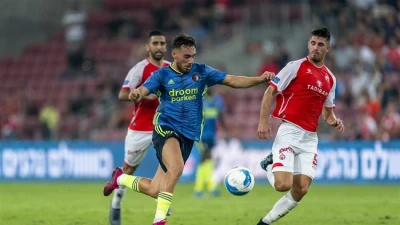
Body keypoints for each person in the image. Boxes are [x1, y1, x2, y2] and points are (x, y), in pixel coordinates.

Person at [103, 33, 275, 225]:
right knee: (176, 167)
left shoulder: (201, 71)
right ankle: (159, 220)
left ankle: (120, 178)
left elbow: (232, 80)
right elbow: (144, 90)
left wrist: (259, 79)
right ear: (174, 54)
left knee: (155, 189)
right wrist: (136, 93)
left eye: (192, 56)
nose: (190, 61)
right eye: (186, 57)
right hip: (165, 128)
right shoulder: (162, 74)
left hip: (188, 134)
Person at [256, 27, 345, 225]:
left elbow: (328, 114)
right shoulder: (295, 66)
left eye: (320, 44)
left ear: (327, 48)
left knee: (301, 189)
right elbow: (270, 92)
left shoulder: (330, 79)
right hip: (290, 131)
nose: (315, 47)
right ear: (308, 44)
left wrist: (334, 121)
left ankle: (265, 222)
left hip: (310, 138)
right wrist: (263, 121)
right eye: (313, 43)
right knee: (282, 185)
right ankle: (269, 164)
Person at [108, 30, 170, 225]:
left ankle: (162, 201)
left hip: (164, 126)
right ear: (148, 47)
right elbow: (122, 94)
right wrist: (145, 95)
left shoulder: (172, 68)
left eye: (162, 44)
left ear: (165, 47)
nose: (159, 47)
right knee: (128, 169)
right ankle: (116, 204)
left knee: (171, 165)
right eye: (155, 43)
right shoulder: (139, 69)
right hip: (140, 128)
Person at [193, 86, 227, 197]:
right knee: (204, 157)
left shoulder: (218, 100)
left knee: (208, 159)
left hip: (212, 135)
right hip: (201, 135)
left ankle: (206, 186)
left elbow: (221, 116)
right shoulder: (200, 100)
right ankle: (202, 188)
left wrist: (224, 130)